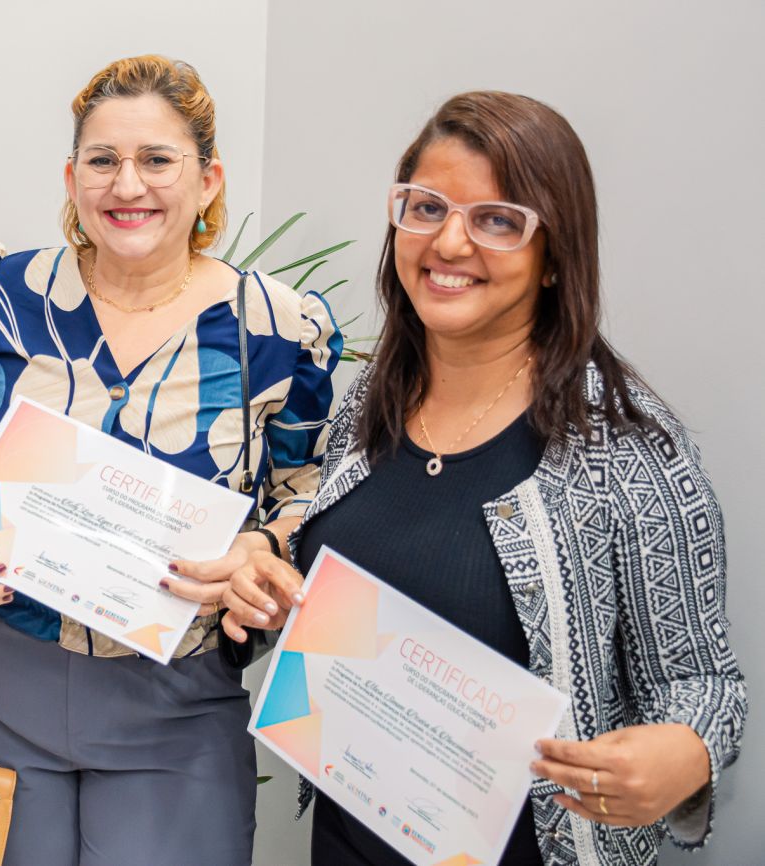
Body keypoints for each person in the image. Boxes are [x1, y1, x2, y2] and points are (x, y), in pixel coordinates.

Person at [222, 91, 747, 865]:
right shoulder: (373, 400)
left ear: (554, 257)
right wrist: (268, 575)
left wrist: (687, 754)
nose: (449, 242)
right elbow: (343, 579)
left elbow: (705, 686)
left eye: (498, 220)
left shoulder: (627, 447)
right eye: (426, 208)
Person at [0, 55, 342, 865]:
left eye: (157, 160)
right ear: (72, 178)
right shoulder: (7, 294)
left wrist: (263, 549)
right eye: (103, 160)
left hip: (174, 696)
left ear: (208, 180)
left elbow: (307, 493)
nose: (127, 185)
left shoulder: (277, 326)